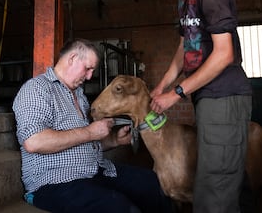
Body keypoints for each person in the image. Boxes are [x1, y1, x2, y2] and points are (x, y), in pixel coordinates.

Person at [139, 0, 253, 213]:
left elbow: (224, 53)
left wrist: (175, 95)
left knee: (215, 195)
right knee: (208, 189)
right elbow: (185, 43)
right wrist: (162, 84)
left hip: (225, 96)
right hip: (208, 100)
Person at [13, 38, 173, 213]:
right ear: (72, 58)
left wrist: (113, 141)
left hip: (96, 171)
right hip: (55, 182)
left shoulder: (79, 95)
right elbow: (33, 142)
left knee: (151, 183)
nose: (89, 76)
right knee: (119, 206)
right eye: (88, 68)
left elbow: (82, 143)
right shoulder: (37, 89)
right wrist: (90, 132)